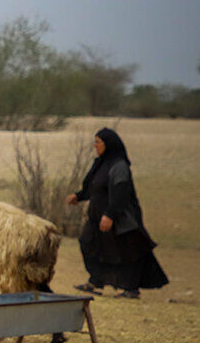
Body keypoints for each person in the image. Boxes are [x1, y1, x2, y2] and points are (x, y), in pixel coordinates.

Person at [67, 127, 167, 299]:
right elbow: (95, 187)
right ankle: (95, 281)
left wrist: (110, 215)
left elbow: (120, 193)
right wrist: (79, 196)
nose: (95, 145)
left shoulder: (119, 166)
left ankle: (131, 288)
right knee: (88, 242)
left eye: (98, 142)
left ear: (109, 144)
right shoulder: (101, 163)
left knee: (128, 252)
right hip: (97, 217)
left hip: (120, 218)